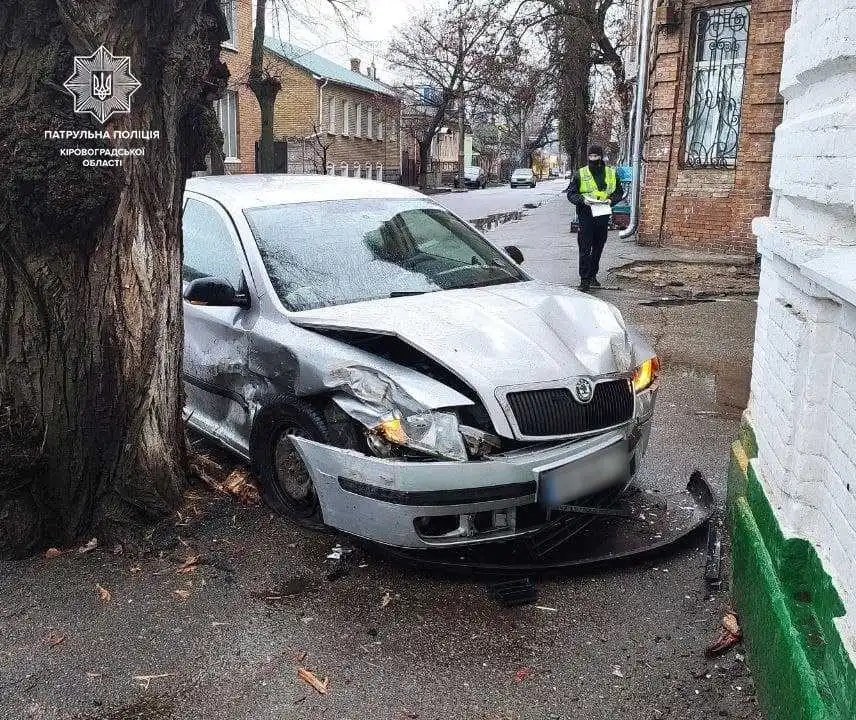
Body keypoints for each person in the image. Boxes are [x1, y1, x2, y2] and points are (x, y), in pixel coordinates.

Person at [566, 145, 624, 291]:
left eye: (596, 156)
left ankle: (593, 275)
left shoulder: (611, 173)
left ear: (601, 156)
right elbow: (571, 194)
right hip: (586, 214)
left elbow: (619, 192)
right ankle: (584, 280)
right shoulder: (580, 173)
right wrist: (582, 200)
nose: (593, 159)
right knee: (585, 248)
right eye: (591, 156)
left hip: (603, 214)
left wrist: (611, 200)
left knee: (598, 247)